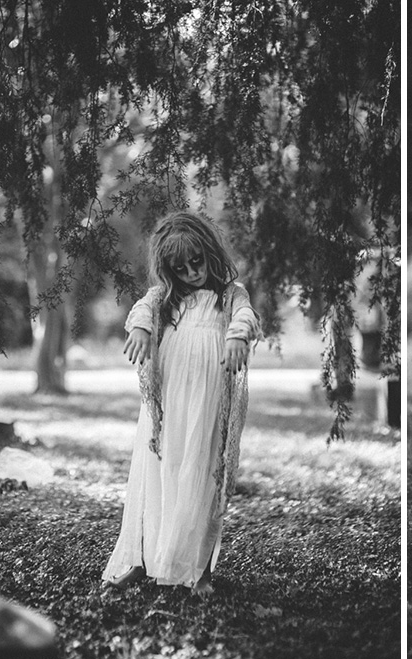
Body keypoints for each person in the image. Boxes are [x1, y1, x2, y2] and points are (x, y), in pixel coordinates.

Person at [102, 211, 261, 597]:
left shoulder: (230, 294)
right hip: (170, 396)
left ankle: (199, 569)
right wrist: (140, 328)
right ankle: (142, 559)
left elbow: (246, 316)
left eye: (197, 261)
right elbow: (141, 309)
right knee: (157, 472)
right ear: (168, 269)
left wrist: (237, 336)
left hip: (208, 397)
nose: (191, 272)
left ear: (209, 252)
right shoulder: (164, 297)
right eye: (180, 267)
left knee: (203, 472)